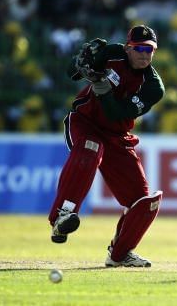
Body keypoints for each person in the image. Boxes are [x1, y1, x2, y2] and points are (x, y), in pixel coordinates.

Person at [48, 25, 165, 267]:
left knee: (144, 203)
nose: (144, 54)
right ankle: (63, 216)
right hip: (85, 122)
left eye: (149, 50)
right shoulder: (111, 53)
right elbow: (71, 73)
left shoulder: (153, 87)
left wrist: (101, 87)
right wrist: (81, 62)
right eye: (139, 48)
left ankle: (120, 254)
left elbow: (115, 113)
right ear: (127, 48)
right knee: (90, 149)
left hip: (117, 134)